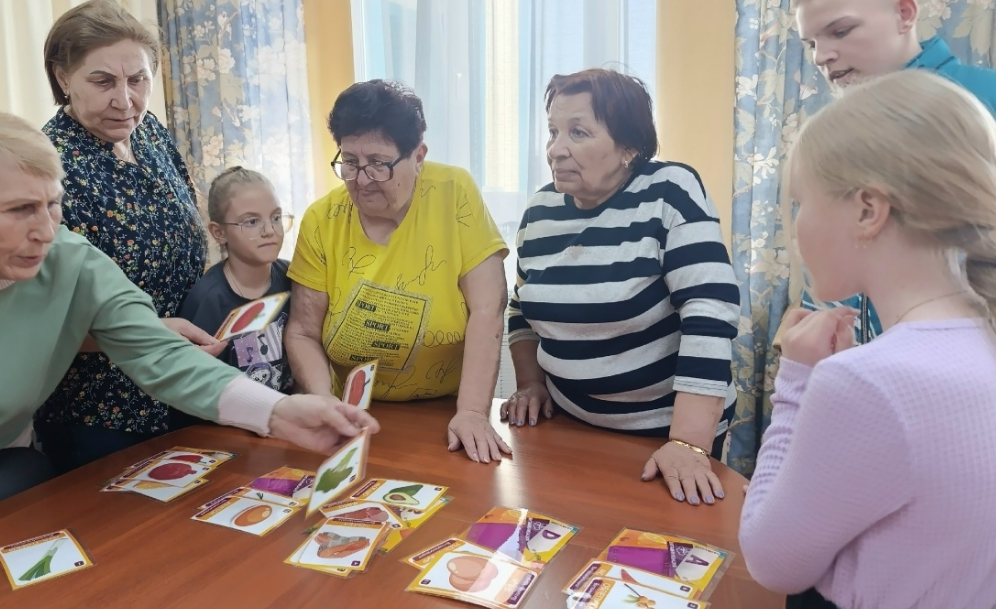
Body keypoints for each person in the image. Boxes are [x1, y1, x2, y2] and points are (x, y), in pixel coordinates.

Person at [0, 110, 379, 571]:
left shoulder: (72, 263)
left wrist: (279, 412)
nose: (46, 231)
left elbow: (160, 354)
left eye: (53, 204)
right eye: (20, 210)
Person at [740, 71, 996, 609]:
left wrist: (797, 382)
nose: (795, 227)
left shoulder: (867, 382)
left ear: (867, 210)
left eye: (800, 204)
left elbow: (771, 561)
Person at [502, 69, 740, 506]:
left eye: (578, 133)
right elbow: (521, 308)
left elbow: (709, 313)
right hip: (570, 422)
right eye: (553, 132)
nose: (556, 149)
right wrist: (531, 384)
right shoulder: (540, 210)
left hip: (664, 430)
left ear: (629, 147)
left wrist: (687, 444)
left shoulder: (669, 190)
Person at [33, 0, 216, 472]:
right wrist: (147, 333)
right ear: (63, 78)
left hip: (182, 382)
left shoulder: (148, 132)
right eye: (103, 82)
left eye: (138, 80)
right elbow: (36, 318)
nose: (125, 100)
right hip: (100, 412)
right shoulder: (44, 168)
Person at [286, 80, 511, 463]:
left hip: (445, 413)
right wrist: (325, 404)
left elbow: (488, 308)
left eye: (378, 163)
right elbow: (303, 331)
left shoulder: (453, 191)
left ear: (418, 156)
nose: (361, 180)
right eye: (350, 162)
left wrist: (473, 411)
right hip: (353, 416)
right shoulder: (322, 220)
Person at [786, 0, 996, 344]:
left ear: (905, 14)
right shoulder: (835, 133)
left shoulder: (986, 98)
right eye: (811, 44)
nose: (821, 57)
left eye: (840, 31)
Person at [178, 167, 293, 392]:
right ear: (219, 233)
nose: (269, 230)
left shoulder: (293, 278)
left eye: (276, 217)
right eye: (251, 222)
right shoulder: (207, 300)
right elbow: (194, 387)